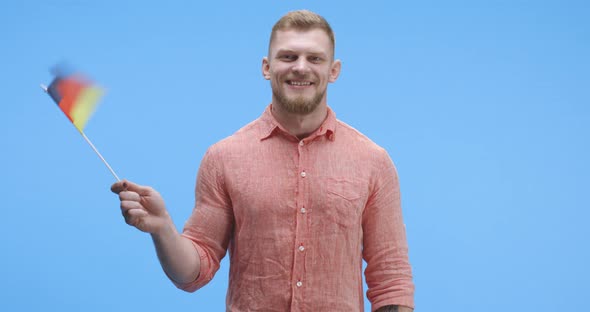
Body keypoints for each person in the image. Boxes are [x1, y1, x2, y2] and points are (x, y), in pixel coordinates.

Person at [111, 10, 414, 312]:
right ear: (267, 67)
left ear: (333, 71)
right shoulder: (224, 158)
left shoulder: (373, 161)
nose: (300, 67)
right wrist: (162, 228)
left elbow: (391, 280)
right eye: (288, 56)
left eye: (315, 58)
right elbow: (194, 273)